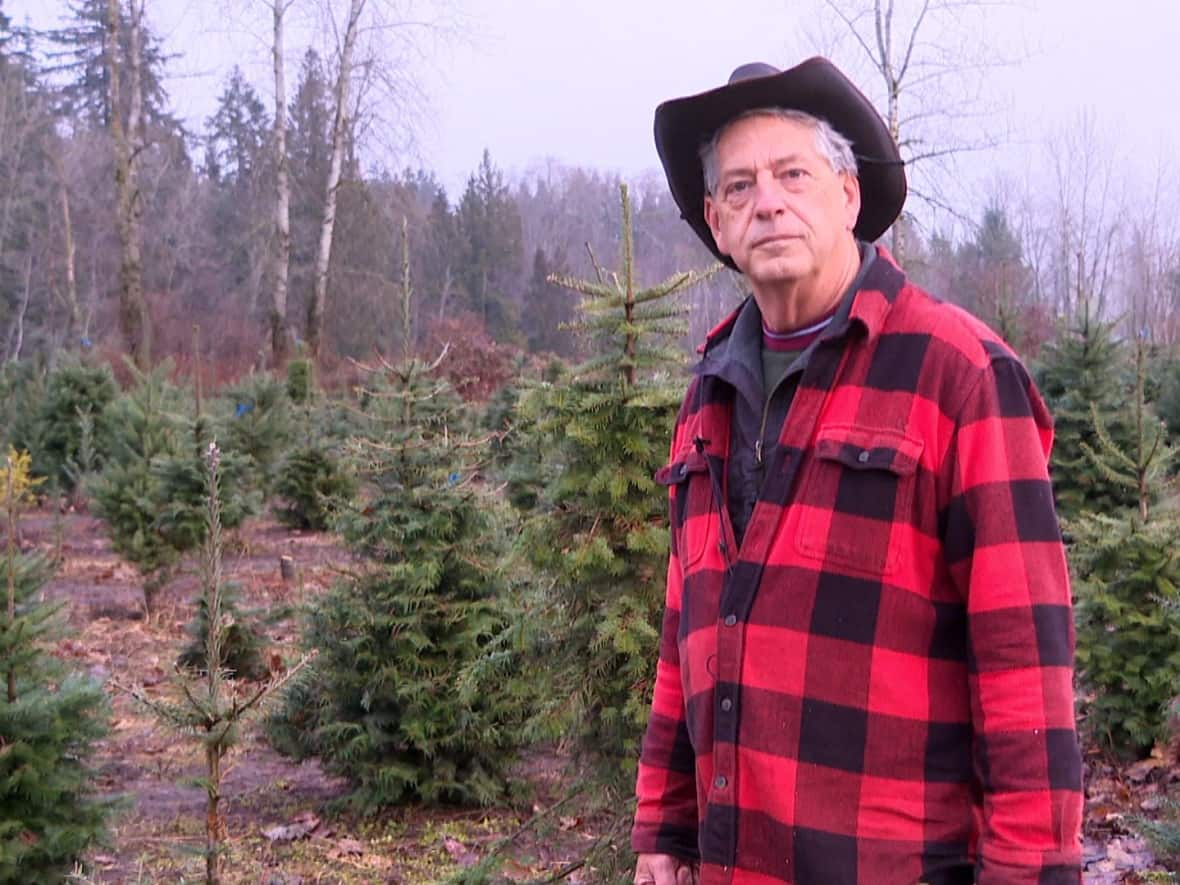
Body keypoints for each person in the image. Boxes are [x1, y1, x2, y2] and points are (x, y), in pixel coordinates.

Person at [631, 58, 1083, 885]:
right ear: (715, 221)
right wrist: (665, 824)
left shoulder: (960, 375)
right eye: (738, 187)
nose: (766, 200)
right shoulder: (707, 389)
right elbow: (687, 625)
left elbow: (1027, 667)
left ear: (847, 195)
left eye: (791, 174)